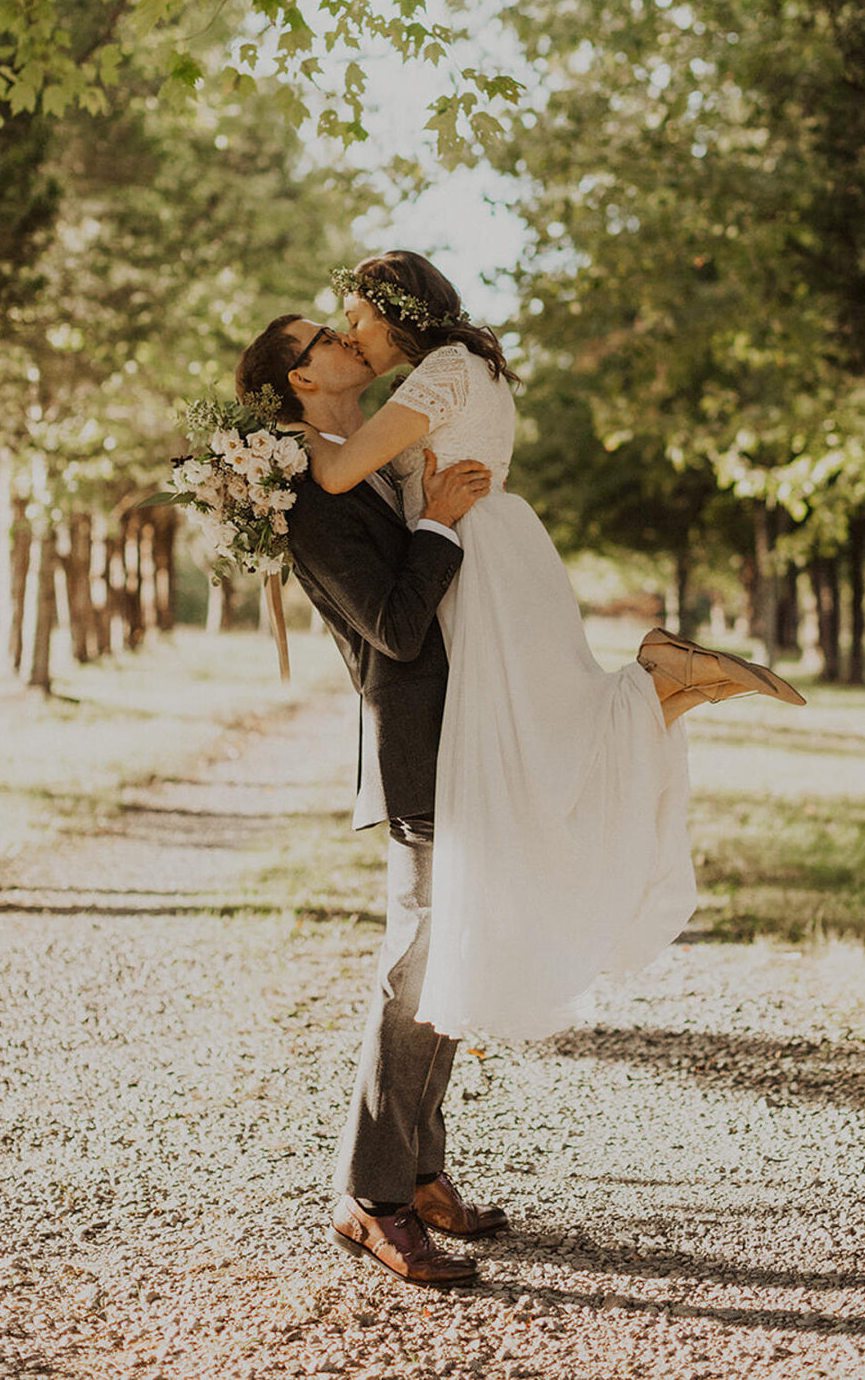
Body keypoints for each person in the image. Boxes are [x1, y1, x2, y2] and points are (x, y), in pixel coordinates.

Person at [303, 252, 804, 1045]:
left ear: (395, 309)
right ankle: (664, 687)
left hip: (474, 558)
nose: (352, 332)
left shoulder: (438, 374)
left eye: (357, 315)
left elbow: (332, 474)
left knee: (528, 754)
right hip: (499, 545)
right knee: (540, 739)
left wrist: (265, 431)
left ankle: (663, 681)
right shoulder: (473, 366)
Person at [234, 314, 507, 1290]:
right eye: (324, 335)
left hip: (459, 727)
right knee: (417, 962)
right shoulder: (312, 494)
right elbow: (394, 627)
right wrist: (437, 517)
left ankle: (422, 1173)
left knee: (450, 950)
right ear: (302, 379)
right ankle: (371, 1196)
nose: (351, 335)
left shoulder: (359, 460)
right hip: (418, 741)